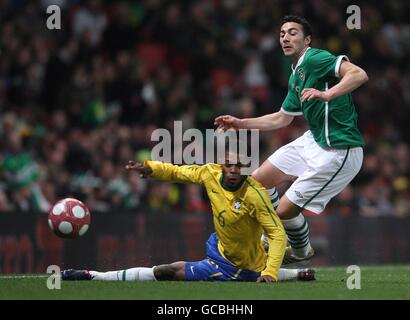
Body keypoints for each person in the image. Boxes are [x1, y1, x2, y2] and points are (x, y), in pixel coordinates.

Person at [214, 15, 368, 265]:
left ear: (307, 40)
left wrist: (328, 94)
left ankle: (296, 249)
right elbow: (281, 119)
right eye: (282, 33)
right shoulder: (296, 75)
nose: (285, 37)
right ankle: (278, 239)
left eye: (293, 32)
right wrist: (241, 123)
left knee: (284, 211)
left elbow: (359, 74)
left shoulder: (316, 58)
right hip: (313, 141)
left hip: (340, 150)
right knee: (256, 183)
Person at [62, 146, 315, 282]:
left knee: (167, 273)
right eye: (229, 164)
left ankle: (93, 276)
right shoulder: (210, 174)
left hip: (235, 267)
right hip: (222, 246)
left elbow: (278, 234)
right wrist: (152, 168)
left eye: (239, 165)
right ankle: (93, 276)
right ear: (221, 165)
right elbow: (179, 172)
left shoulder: (255, 194)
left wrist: (270, 274)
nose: (234, 170)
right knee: (166, 270)